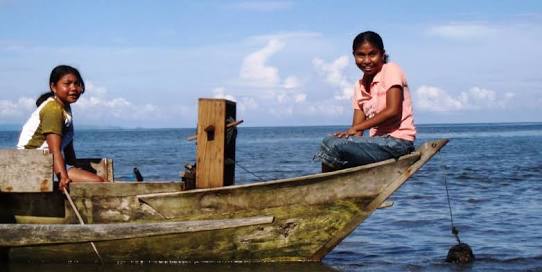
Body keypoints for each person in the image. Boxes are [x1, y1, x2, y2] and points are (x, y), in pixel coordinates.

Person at [315, 31, 416, 172]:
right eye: (361, 55)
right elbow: (356, 131)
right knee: (331, 144)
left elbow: (393, 110)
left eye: (372, 54)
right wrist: (348, 136)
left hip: (398, 143)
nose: (367, 60)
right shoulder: (359, 85)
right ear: (354, 56)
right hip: (376, 144)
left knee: (331, 145)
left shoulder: (391, 70)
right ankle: (332, 187)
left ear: (382, 54)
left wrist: (356, 129)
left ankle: (323, 188)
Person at [17, 65, 106, 189]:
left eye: (77, 84)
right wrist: (63, 177)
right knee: (98, 182)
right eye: (67, 84)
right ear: (53, 87)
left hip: (47, 161)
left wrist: (75, 167)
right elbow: (55, 150)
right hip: (34, 163)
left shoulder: (65, 109)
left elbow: (68, 146)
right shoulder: (53, 109)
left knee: (97, 180)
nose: (73, 88)